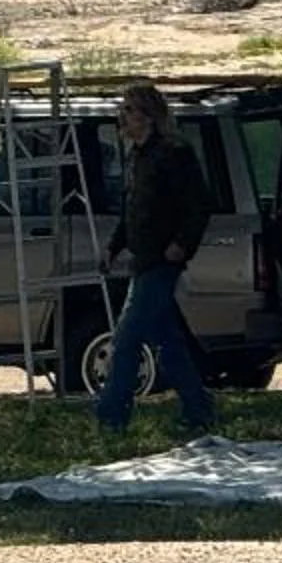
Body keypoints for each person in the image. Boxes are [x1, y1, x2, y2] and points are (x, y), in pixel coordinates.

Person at [94, 82, 219, 438]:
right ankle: (199, 409)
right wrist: (113, 247)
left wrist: (182, 244)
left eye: (129, 110)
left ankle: (111, 416)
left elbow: (199, 206)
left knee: (126, 339)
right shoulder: (136, 156)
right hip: (142, 259)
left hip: (163, 262)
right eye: (122, 109)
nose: (122, 116)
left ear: (148, 116)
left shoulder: (174, 153)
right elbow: (131, 210)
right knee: (169, 342)